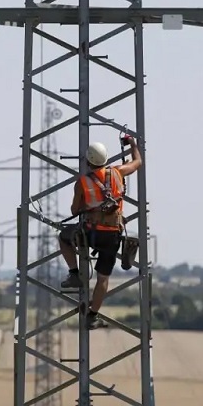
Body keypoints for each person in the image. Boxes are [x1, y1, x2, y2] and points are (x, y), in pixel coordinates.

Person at [58, 136, 142, 329]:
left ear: (88, 161)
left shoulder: (82, 183)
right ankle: (92, 315)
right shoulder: (118, 172)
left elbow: (74, 210)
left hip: (91, 234)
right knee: (103, 278)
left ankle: (74, 274)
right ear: (106, 159)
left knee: (64, 238)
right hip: (113, 235)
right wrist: (133, 144)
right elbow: (137, 162)